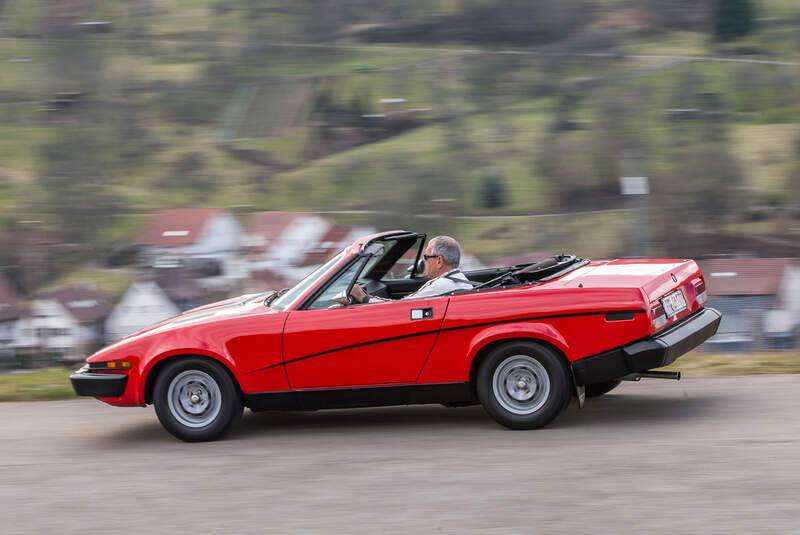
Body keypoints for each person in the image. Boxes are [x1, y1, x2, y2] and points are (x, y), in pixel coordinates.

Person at [350, 235, 473, 303]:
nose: (424, 260)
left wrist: (363, 297)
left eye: (426, 256)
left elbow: (398, 307)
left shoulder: (439, 286)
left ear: (439, 261)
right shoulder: (462, 280)